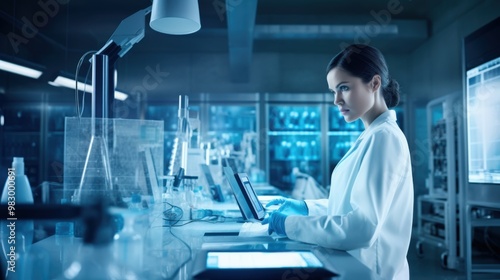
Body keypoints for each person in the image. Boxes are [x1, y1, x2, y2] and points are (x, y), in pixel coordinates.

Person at [262, 44, 414, 280]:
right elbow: (352, 206)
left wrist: (290, 225)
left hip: (372, 272)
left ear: (374, 84)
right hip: (355, 267)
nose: (336, 100)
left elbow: (361, 228)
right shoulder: (372, 135)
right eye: (333, 91)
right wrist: (305, 207)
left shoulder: (384, 138)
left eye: (344, 88)